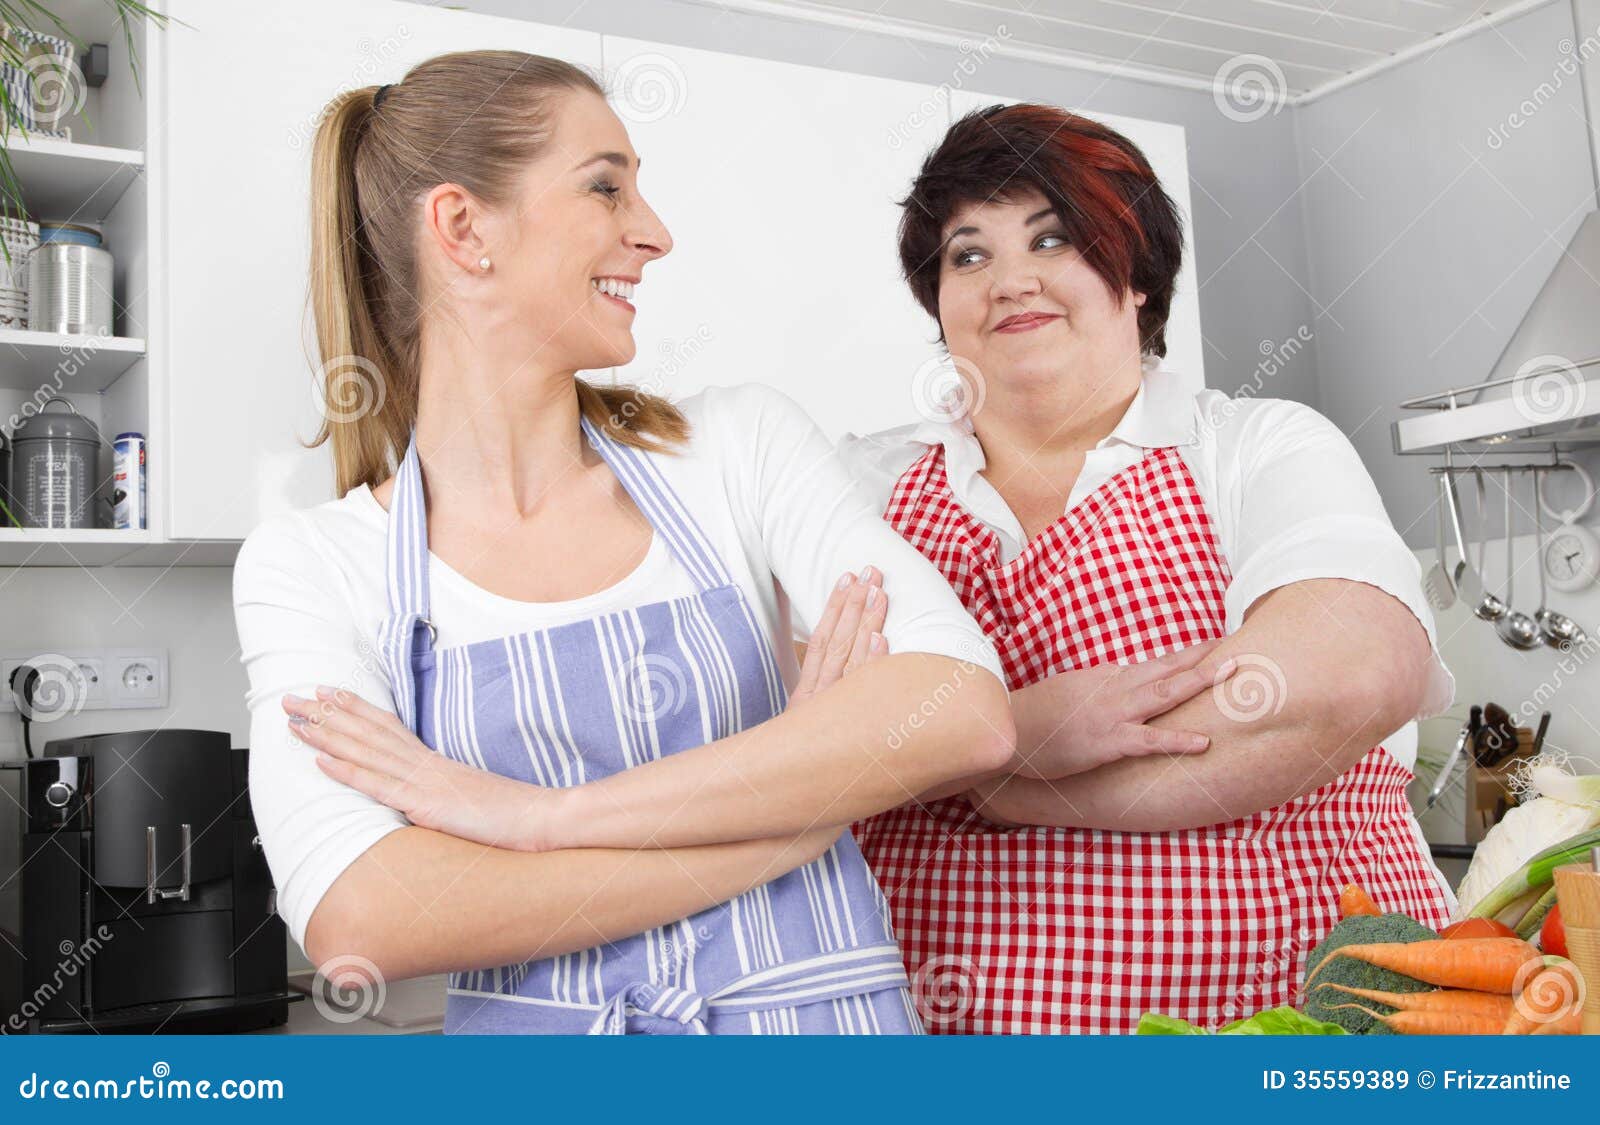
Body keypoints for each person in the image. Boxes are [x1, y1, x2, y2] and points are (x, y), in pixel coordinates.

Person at [233, 50, 1038, 1035]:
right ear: (463, 227)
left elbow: (960, 713)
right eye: (606, 187)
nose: (653, 234)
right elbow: (365, 915)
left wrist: (537, 820)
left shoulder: (738, 446)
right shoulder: (314, 567)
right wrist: (800, 807)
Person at [837, 103, 1457, 1034]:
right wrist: (1022, 729)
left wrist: (983, 770)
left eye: (1054, 238)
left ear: (1134, 276)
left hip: (1290, 1030)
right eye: (968, 255)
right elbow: (791, 735)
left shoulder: (1253, 447)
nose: (1010, 280)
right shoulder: (859, 484)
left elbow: (1351, 676)